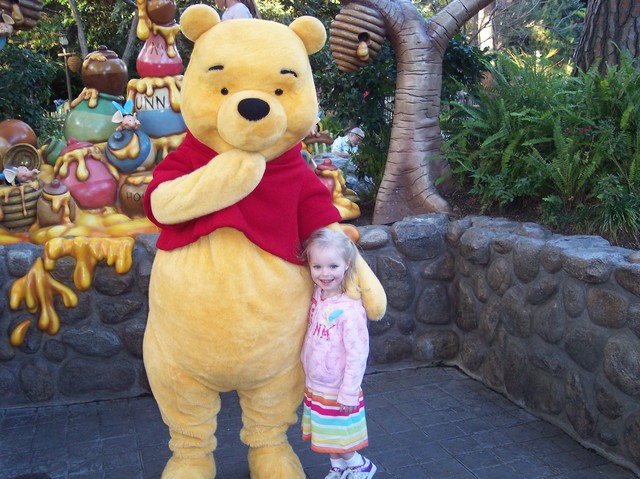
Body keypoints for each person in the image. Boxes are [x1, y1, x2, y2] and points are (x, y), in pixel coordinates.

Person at [300, 228, 377, 479]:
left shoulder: (350, 309)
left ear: (347, 265)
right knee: (327, 435)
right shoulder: (317, 296)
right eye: (317, 266)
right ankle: (339, 469)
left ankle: (359, 466)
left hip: (338, 388)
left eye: (333, 266)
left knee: (339, 437)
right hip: (318, 384)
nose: (324, 274)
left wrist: (349, 392)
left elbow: (358, 354)